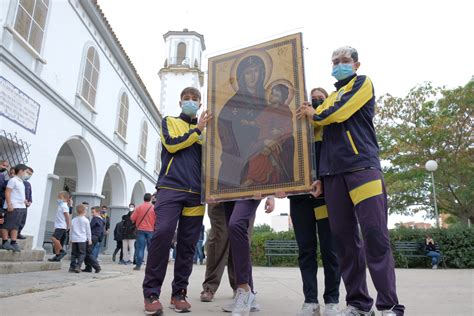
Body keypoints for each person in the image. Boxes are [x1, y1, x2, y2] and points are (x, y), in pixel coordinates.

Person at [297, 46, 405, 316]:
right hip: (333, 176)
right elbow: (319, 140)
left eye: (344, 61)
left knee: (374, 236)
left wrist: (313, 113)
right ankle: (358, 303)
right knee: (344, 241)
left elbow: (338, 112)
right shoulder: (331, 97)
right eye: (334, 61)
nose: (339, 65)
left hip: (363, 168)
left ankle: (389, 305)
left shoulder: (361, 83)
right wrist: (319, 177)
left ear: (356, 64)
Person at [141, 87, 212, 315]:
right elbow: (171, 144)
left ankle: (179, 293)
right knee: (162, 235)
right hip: (170, 188)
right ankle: (151, 293)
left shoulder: (207, 133)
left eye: (195, 99)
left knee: (188, 245)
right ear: (180, 102)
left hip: (196, 194)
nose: (191, 102)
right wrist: (197, 130)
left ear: (200, 105)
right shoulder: (169, 121)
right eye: (187, 99)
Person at [289, 87, 341, 316]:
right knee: (306, 250)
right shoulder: (296, 134)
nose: (315, 100)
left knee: (330, 249)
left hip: (324, 199)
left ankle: (331, 300)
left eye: (320, 98)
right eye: (312, 98)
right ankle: (310, 301)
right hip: (299, 199)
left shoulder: (330, 131)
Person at [218, 55, 268, 189]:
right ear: (242, 76)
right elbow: (223, 124)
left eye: (256, 71)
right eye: (248, 73)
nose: (253, 76)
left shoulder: (268, 98)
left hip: (262, 151)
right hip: (237, 153)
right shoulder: (234, 102)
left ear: (261, 73)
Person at [200, 203, 258, 309]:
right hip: (220, 195)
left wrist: (270, 197)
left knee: (240, 239)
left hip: (246, 194)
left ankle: (242, 288)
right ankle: (210, 287)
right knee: (218, 241)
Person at [243, 83, 294, 186]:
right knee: (254, 154)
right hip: (264, 137)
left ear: (282, 99)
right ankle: (251, 177)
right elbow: (259, 121)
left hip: (279, 139)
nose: (272, 96)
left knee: (264, 153)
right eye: (272, 93)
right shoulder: (267, 109)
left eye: (276, 95)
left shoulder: (285, 110)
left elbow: (289, 127)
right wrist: (249, 123)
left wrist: (279, 131)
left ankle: (255, 178)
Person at [0, 164, 29, 252]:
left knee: (15, 226)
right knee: (6, 225)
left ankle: (13, 242)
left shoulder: (20, 181)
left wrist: (25, 201)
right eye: (26, 172)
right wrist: (9, 204)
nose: (26, 174)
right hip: (13, 206)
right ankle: (5, 242)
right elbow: (8, 192)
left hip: (21, 207)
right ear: (20, 171)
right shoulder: (13, 180)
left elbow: (19, 194)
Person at [131, 193, 155, 270]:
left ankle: (138, 265)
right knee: (151, 248)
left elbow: (132, 218)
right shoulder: (154, 208)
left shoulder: (139, 207)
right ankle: (150, 266)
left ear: (143, 198)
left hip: (140, 230)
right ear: (150, 199)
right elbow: (157, 219)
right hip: (150, 230)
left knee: (140, 248)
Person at [47, 191, 71, 261]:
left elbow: (67, 217)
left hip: (61, 226)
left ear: (66, 198)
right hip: (58, 226)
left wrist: (68, 225)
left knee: (54, 238)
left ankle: (62, 251)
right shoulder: (61, 205)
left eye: (60, 197)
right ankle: (57, 256)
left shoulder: (64, 206)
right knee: (57, 241)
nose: (58, 199)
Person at [69, 204, 91, 273]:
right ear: (85, 211)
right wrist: (89, 239)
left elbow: (71, 230)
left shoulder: (73, 220)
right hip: (82, 239)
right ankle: (78, 266)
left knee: (73, 254)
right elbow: (88, 231)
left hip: (74, 239)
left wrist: (70, 239)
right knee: (82, 253)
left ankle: (72, 267)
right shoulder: (86, 220)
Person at [18, 166, 33, 239]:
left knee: (22, 220)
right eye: (28, 173)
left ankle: (18, 232)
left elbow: (30, 194)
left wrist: (30, 202)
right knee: (16, 219)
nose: (28, 175)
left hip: (25, 206)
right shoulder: (18, 181)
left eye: (30, 174)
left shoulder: (28, 184)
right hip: (19, 204)